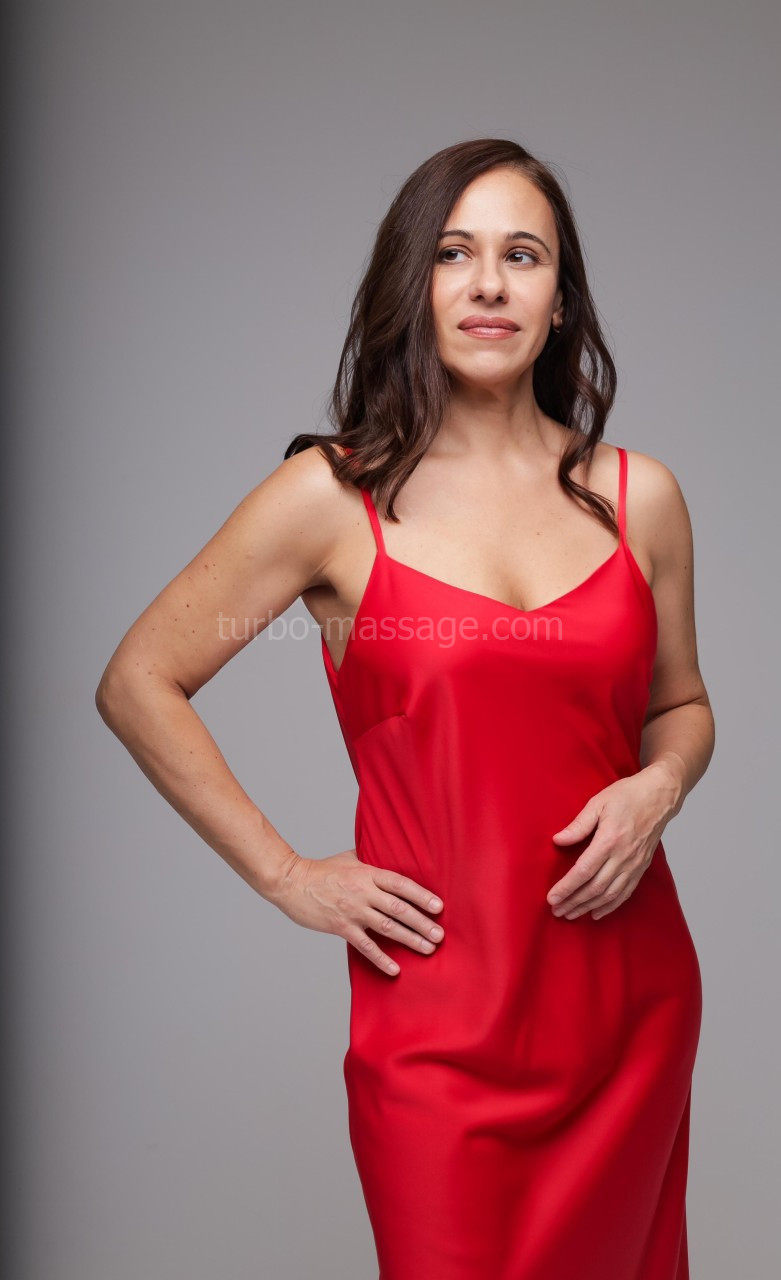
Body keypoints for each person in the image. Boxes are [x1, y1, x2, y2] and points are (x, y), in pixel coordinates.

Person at [96, 138, 714, 1279]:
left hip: (629, 1004)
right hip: (438, 1028)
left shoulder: (640, 499)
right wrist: (287, 873)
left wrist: (659, 785)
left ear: (560, 299)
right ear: (411, 284)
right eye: (452, 253)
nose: (488, 284)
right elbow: (139, 679)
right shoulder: (333, 497)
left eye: (521, 255)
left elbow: (679, 702)